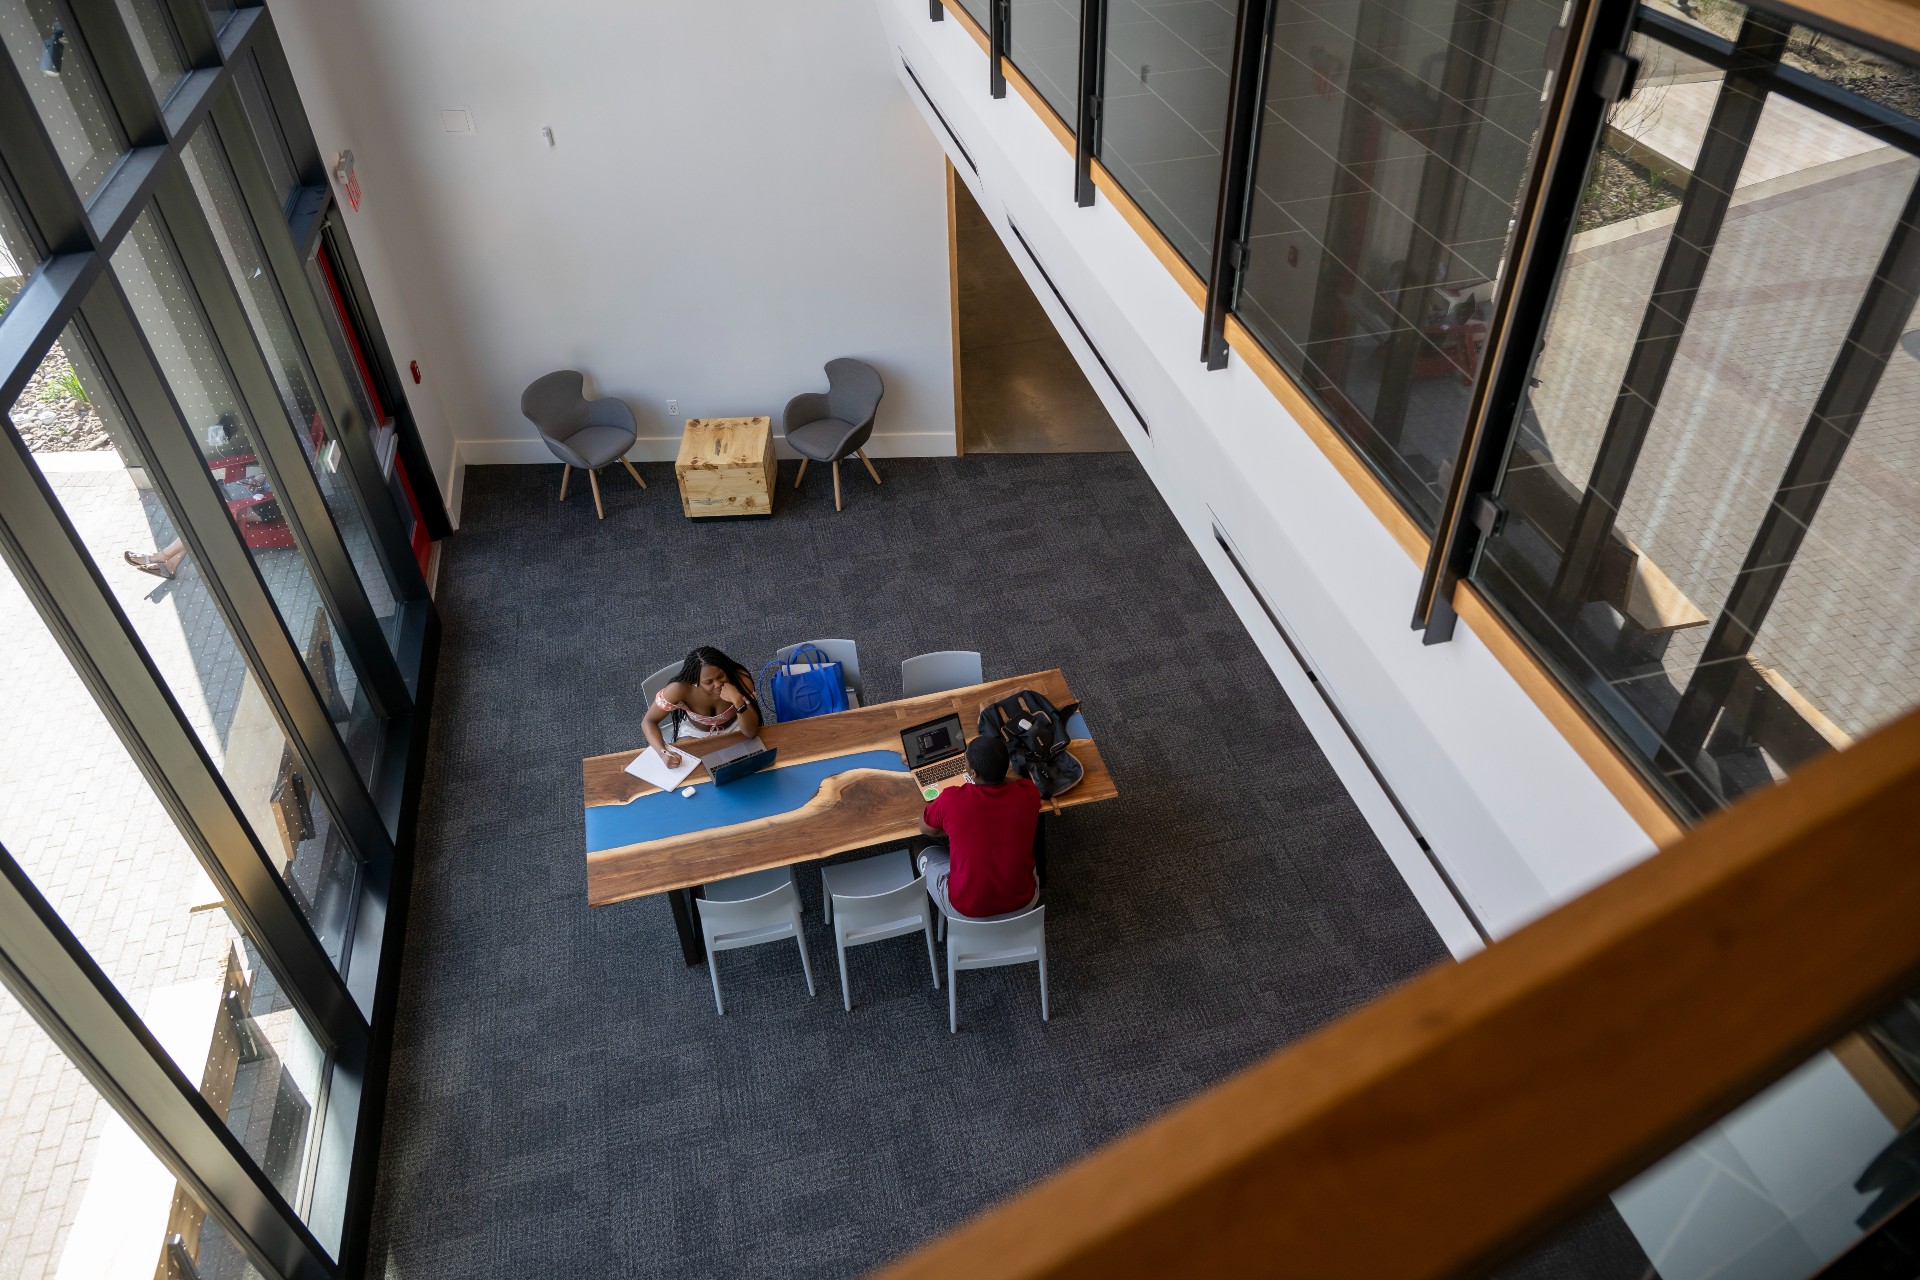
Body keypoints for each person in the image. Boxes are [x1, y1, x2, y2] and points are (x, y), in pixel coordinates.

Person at [916, 734, 1042, 919]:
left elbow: (925, 828)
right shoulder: (1029, 792)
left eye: (965, 760)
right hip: (1024, 903)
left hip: (966, 909)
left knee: (920, 847)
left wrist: (956, 829)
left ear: (972, 774)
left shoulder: (951, 799)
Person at [642, 646, 761, 768]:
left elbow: (751, 733)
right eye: (708, 682)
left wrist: (737, 700)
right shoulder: (679, 689)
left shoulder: (740, 679)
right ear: (695, 681)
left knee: (750, 763)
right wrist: (663, 753)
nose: (718, 684)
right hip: (695, 733)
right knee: (686, 767)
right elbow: (648, 721)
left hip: (737, 727)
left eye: (720, 676)